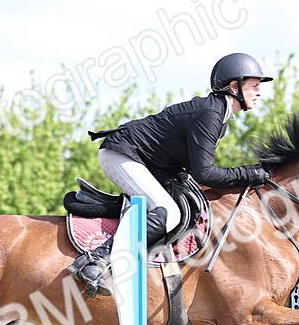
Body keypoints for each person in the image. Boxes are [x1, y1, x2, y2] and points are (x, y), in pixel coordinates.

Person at [69, 52, 274, 295]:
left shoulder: (219, 117)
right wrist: (250, 173)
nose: (259, 93)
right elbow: (205, 173)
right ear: (233, 86)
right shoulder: (210, 114)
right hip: (122, 154)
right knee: (168, 214)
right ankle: (95, 261)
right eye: (254, 86)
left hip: (147, 162)